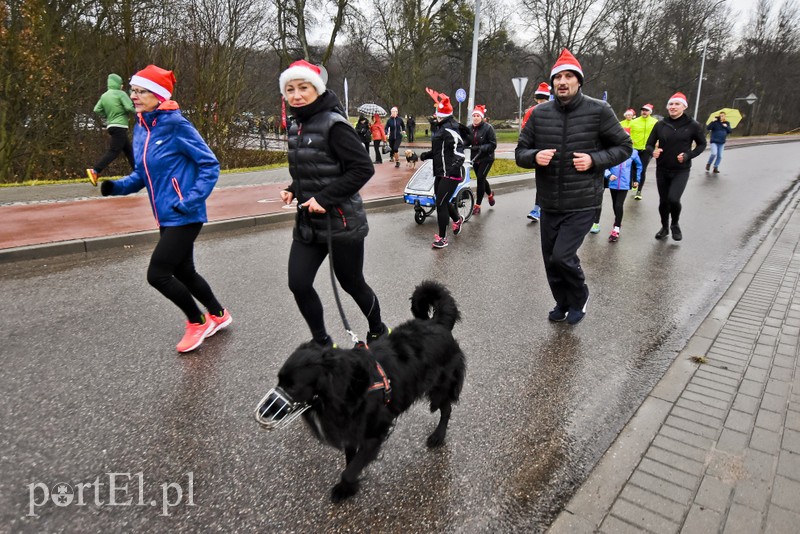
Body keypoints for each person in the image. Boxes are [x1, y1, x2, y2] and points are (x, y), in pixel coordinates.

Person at [99, 65, 231, 353]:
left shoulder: (175, 125)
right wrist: (117, 187)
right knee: (184, 271)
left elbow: (210, 165)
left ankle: (197, 322)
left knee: (157, 274)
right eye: (132, 90)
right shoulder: (143, 127)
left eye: (140, 91)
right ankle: (219, 314)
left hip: (185, 213)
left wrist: (190, 200)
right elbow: (142, 174)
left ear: (157, 95)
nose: (133, 95)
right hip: (165, 215)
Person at [515, 49, 631, 325]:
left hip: (583, 200)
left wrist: (594, 160)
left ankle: (579, 297)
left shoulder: (599, 111)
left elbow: (624, 147)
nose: (562, 82)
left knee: (563, 256)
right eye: (558, 77)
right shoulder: (539, 114)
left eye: (569, 76)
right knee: (550, 260)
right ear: (553, 83)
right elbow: (521, 152)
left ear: (579, 81)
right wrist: (534, 157)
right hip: (550, 201)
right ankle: (562, 302)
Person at [278, 60, 388, 347]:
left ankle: (378, 328)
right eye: (290, 89)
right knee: (298, 283)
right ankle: (323, 342)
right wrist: (293, 188)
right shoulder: (295, 125)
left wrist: (325, 199)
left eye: (303, 87)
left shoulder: (334, 124)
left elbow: (363, 168)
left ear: (317, 89)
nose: (296, 95)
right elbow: (314, 167)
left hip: (341, 222)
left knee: (352, 283)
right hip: (308, 223)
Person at [646, 92, 706, 242]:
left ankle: (675, 224)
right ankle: (664, 227)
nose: (673, 107)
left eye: (677, 104)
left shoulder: (693, 125)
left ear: (684, 107)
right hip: (662, 168)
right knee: (663, 201)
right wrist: (653, 151)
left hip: (681, 169)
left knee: (673, 199)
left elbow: (702, 144)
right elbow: (649, 144)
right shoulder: (660, 124)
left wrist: (688, 156)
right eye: (671, 104)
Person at [420, 88, 469, 249]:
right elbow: (439, 151)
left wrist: (453, 167)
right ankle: (457, 220)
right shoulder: (441, 128)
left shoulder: (450, 129)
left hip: (451, 174)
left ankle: (442, 238)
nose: (435, 117)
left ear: (443, 115)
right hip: (440, 172)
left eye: (438, 115)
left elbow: (459, 153)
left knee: (441, 204)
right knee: (442, 200)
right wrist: (425, 155)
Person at [86, 73, 136, 186]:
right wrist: (139, 112)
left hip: (112, 126)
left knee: (129, 151)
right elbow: (129, 107)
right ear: (118, 84)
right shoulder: (121, 94)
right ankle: (95, 171)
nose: (122, 86)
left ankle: (139, 173)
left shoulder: (104, 96)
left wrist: (108, 116)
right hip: (120, 126)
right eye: (121, 83)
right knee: (114, 151)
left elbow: (97, 109)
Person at [591, 149, 642, 241]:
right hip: (613, 183)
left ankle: (616, 228)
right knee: (615, 205)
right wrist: (609, 175)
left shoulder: (633, 152)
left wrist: (637, 179)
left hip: (625, 184)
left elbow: (639, 165)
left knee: (619, 205)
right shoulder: (613, 151)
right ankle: (617, 221)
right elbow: (605, 166)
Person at [523, 82, 551, 222]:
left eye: (543, 100)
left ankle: (543, 207)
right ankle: (537, 208)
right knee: (542, 180)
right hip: (540, 152)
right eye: (539, 100)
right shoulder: (531, 112)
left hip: (555, 151)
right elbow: (525, 132)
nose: (541, 103)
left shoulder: (555, 110)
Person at [465, 105, 497, 215]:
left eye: (478, 116)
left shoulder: (488, 128)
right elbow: (467, 141)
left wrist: (482, 148)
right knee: (482, 178)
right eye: (474, 115)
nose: (475, 118)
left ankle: (477, 205)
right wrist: (461, 145)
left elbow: (493, 144)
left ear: (482, 117)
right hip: (475, 157)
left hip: (487, 157)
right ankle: (490, 195)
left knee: (480, 179)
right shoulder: (469, 128)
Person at [628, 103, 658, 200]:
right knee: (633, 168)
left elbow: (660, 134)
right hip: (634, 148)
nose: (644, 112)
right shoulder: (634, 121)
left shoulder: (655, 122)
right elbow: (625, 131)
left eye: (646, 110)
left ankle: (639, 191)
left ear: (650, 112)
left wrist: (658, 143)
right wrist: (628, 140)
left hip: (647, 149)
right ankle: (634, 182)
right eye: (643, 110)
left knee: (642, 169)